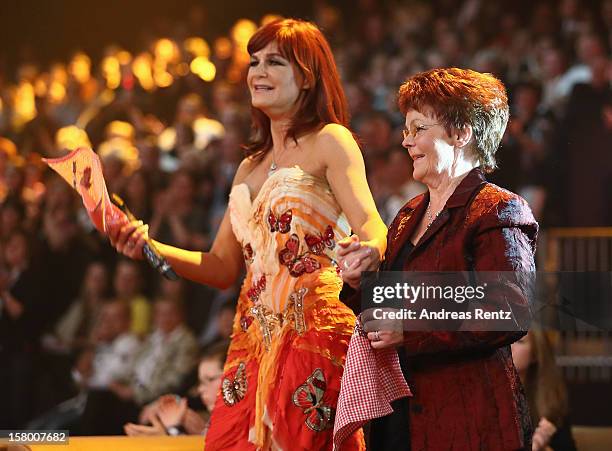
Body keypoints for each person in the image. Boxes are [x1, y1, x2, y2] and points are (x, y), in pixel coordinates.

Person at [109, 18, 386, 451]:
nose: (257, 71)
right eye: (254, 62)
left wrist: (370, 249)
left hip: (312, 328)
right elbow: (221, 267)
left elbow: (371, 222)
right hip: (251, 340)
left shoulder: (331, 140)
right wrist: (147, 245)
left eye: (274, 62)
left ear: (308, 76)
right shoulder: (248, 166)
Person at [337, 68, 538, 450]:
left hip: (465, 418)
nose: (406, 141)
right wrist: (359, 280)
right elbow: (387, 311)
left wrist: (410, 330)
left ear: (461, 133)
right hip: (399, 415)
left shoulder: (499, 209)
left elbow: (510, 310)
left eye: (418, 129)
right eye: (405, 130)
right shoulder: (409, 214)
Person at [124, 340, 229, 437]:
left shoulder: (242, 421)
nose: (201, 389)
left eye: (210, 379)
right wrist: (163, 437)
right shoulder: (216, 419)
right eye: (201, 382)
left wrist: (174, 431)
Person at [511, 330, 577, 451]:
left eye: (519, 341)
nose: (508, 347)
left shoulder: (550, 404)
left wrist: (542, 446)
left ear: (535, 355)